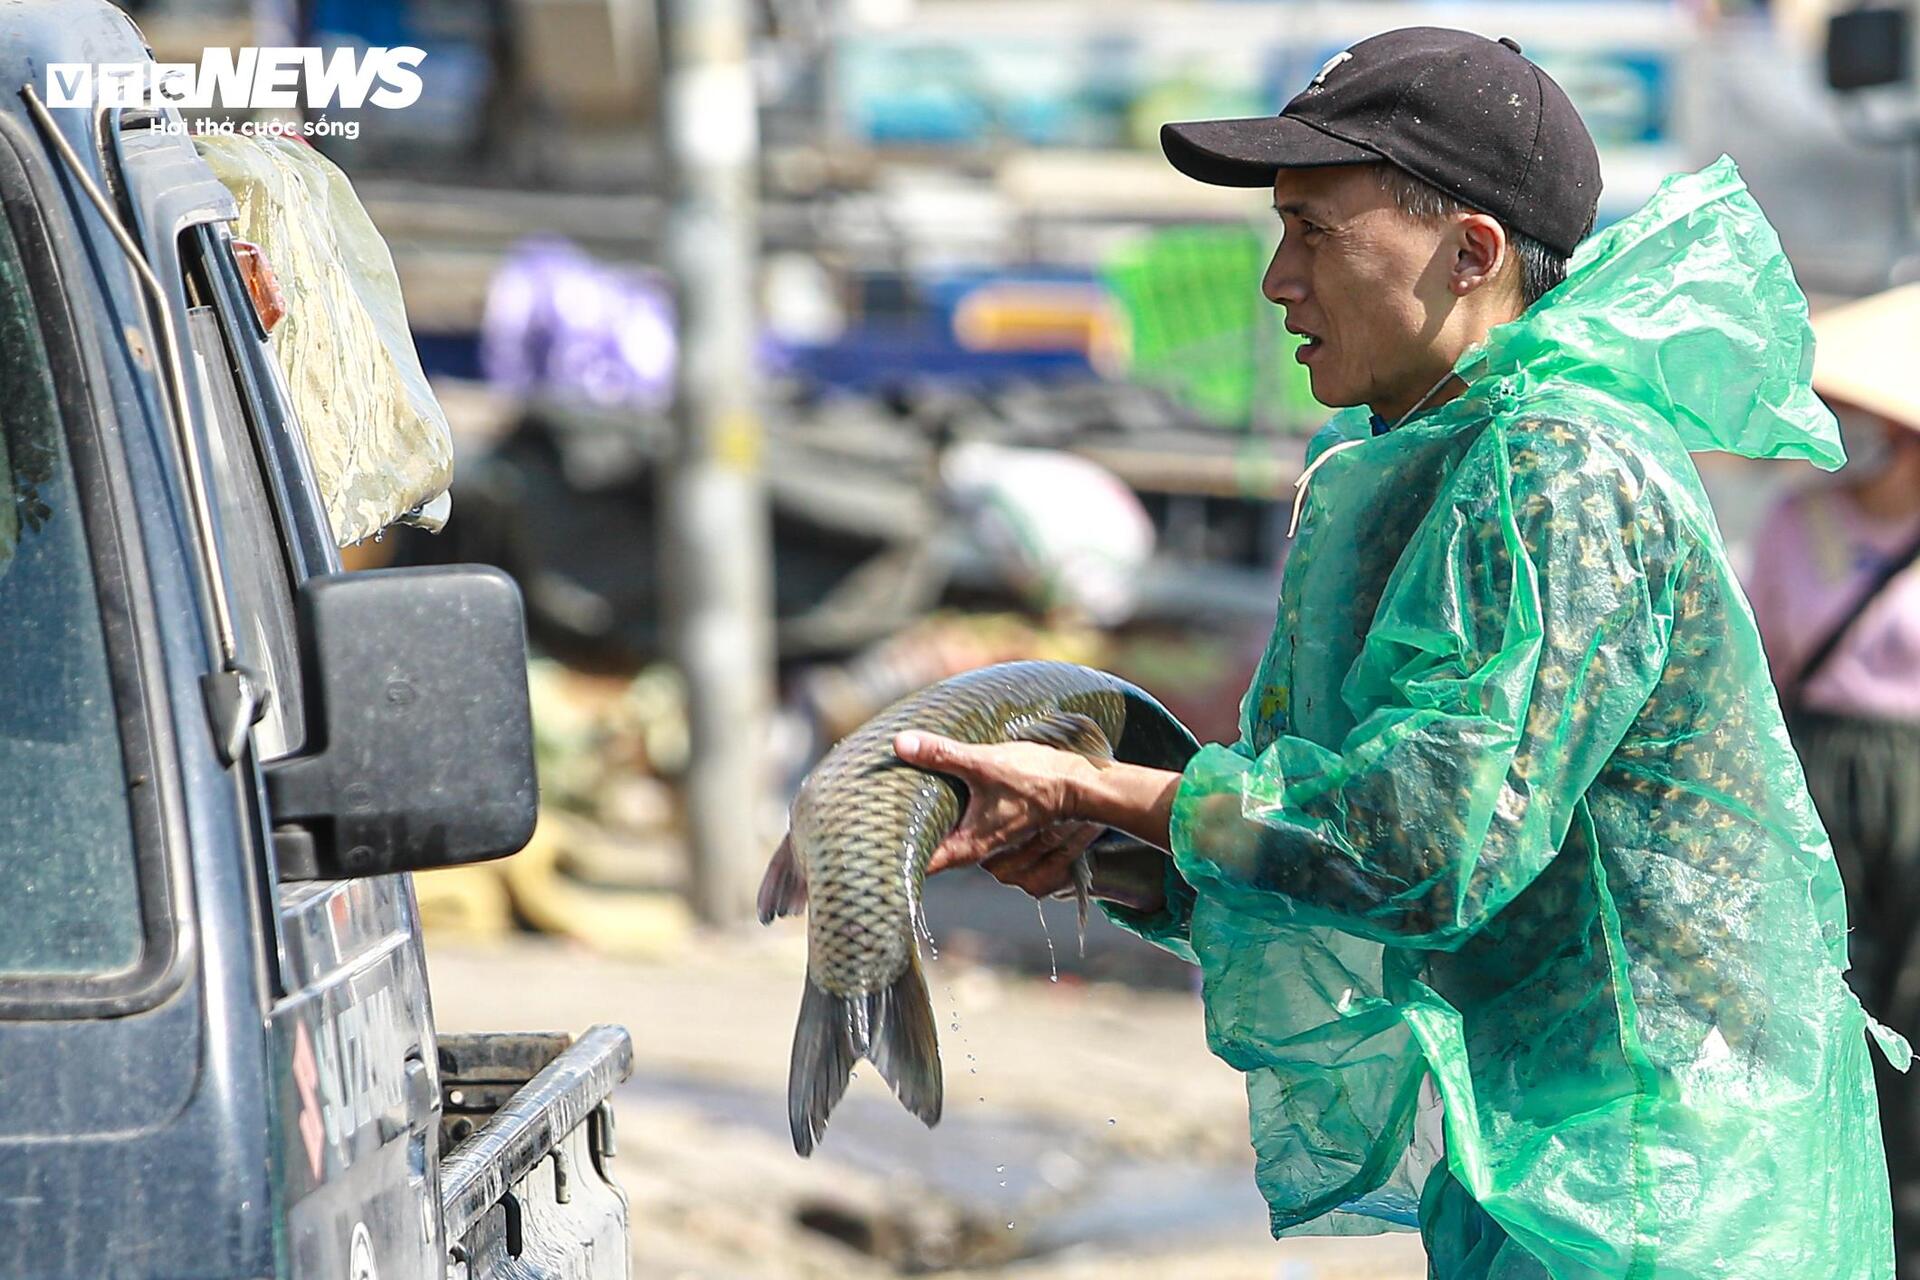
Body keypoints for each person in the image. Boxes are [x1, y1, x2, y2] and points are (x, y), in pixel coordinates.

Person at [892, 27, 1904, 1278]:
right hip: (1544, 1172)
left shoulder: (1557, 463)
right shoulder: (1446, 457)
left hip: (1652, 1201)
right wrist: (1135, 852)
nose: (1277, 279)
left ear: (1472, 252)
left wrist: (1113, 788)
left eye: (1314, 229)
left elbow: (1429, 844)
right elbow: (1378, 835)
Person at [1744, 284, 1920, 1278]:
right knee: (1826, 1001)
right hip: (1817, 779)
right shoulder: (1795, 521)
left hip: (1916, 790)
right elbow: (1761, 667)